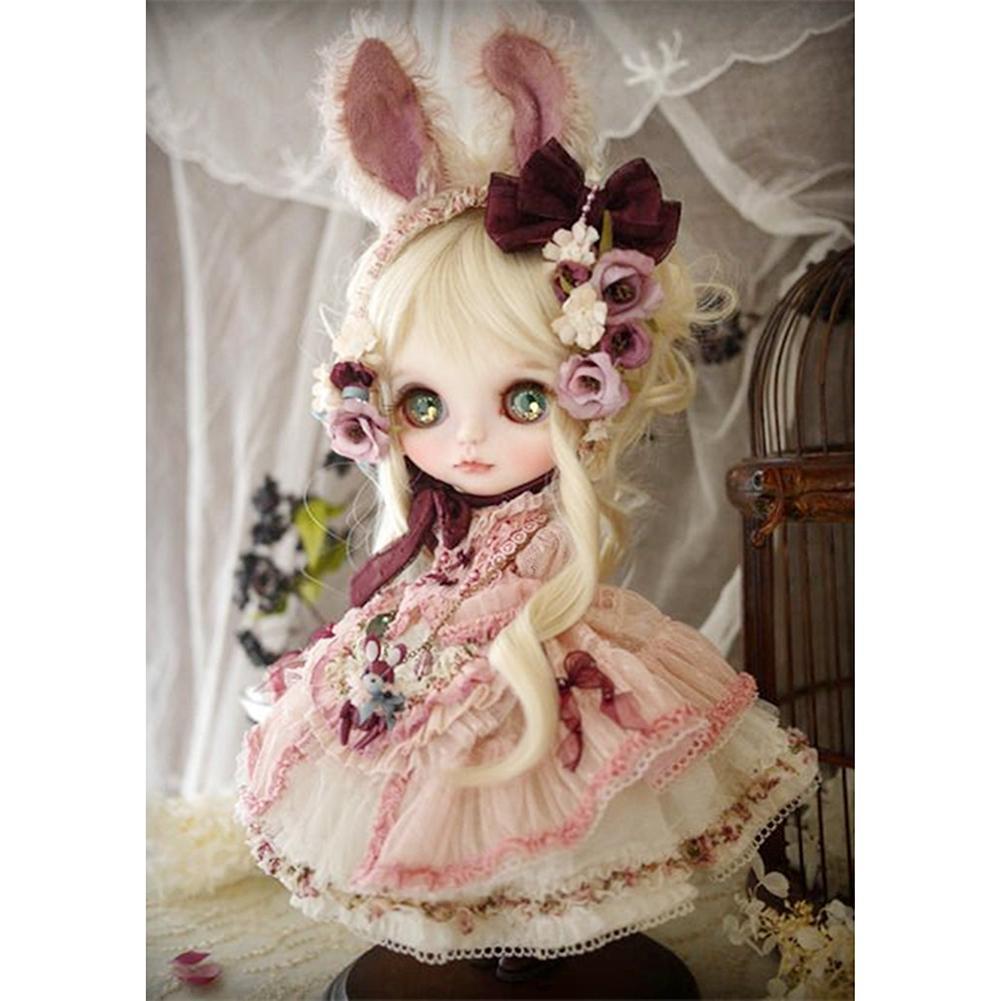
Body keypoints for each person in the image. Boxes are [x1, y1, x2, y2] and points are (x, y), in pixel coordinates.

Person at [236, 9, 818, 980]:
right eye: (424, 402)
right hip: (432, 653)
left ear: (590, 383)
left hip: (533, 648)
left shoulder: (542, 530)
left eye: (520, 398)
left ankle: (539, 932)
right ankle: (485, 928)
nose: (466, 440)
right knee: (432, 774)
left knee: (535, 765)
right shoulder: (432, 529)